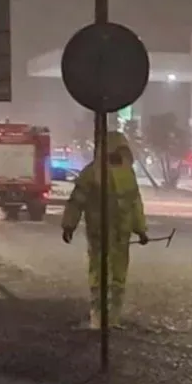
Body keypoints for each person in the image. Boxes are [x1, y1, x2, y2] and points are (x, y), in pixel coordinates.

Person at [60, 130, 148, 329]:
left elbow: (135, 203)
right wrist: (69, 225)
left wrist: (141, 229)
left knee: (118, 278)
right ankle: (98, 318)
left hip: (121, 236)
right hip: (100, 235)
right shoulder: (92, 173)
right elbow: (77, 201)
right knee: (99, 276)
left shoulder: (126, 173)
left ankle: (113, 318)